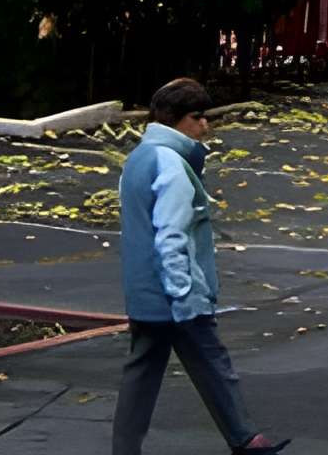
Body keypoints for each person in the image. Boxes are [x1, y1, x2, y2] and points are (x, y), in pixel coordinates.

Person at [115, 78, 291, 455]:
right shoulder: (172, 166)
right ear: (177, 120)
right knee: (213, 363)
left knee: (143, 375)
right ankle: (246, 441)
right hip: (177, 296)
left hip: (144, 293)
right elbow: (171, 236)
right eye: (198, 117)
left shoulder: (137, 159)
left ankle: (126, 450)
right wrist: (183, 293)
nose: (205, 126)